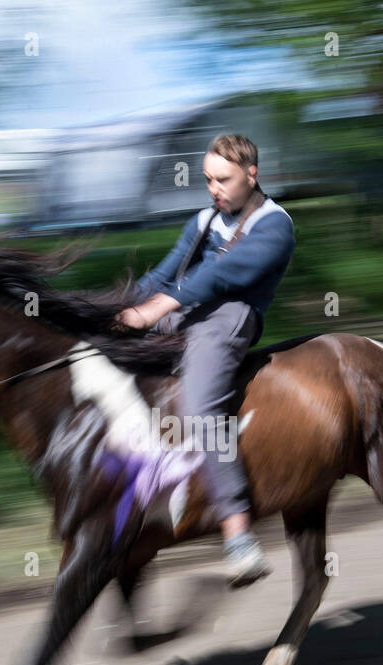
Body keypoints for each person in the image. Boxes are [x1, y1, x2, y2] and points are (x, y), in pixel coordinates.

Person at [117, 133, 295, 588]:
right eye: (208, 180)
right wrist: (117, 310)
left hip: (229, 318)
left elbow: (221, 278)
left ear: (251, 174)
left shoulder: (275, 225)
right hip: (185, 309)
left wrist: (157, 307)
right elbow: (164, 274)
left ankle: (238, 535)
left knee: (199, 409)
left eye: (224, 179)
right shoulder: (202, 221)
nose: (214, 188)